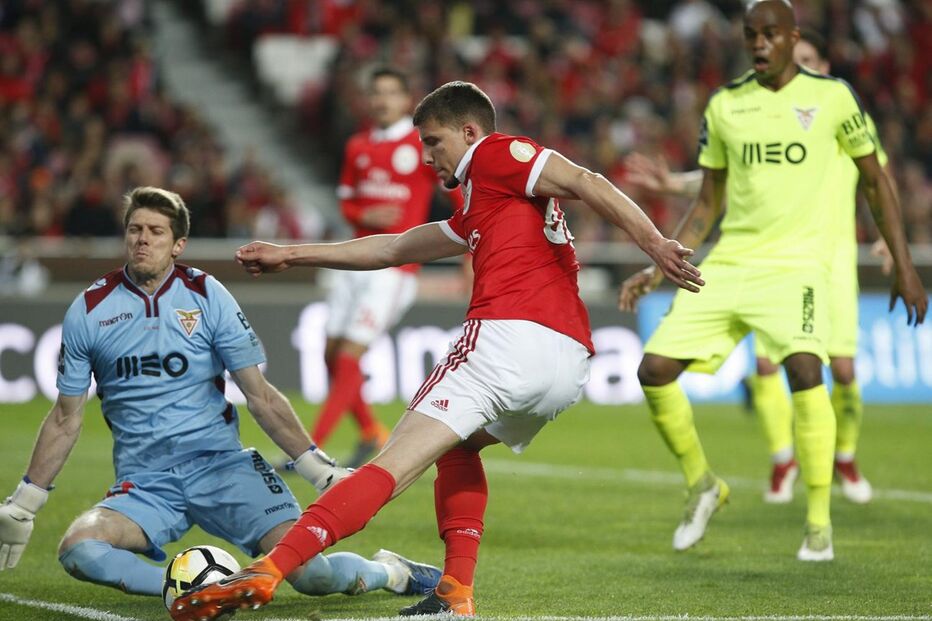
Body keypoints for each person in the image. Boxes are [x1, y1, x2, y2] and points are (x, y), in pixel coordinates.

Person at [168, 81, 703, 621]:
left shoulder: (495, 155)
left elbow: (586, 180)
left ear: (469, 132)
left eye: (433, 142)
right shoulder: (483, 207)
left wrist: (656, 243)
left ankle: (269, 569)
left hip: (507, 338)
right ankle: (454, 594)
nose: (426, 156)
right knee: (459, 449)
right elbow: (395, 247)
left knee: (390, 467)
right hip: (568, 363)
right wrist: (293, 254)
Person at [0, 187, 441, 602]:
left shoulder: (207, 295)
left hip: (223, 467)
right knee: (79, 548)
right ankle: (196, 588)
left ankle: (391, 572)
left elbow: (261, 395)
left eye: (156, 232)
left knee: (311, 574)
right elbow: (65, 417)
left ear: (178, 244)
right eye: (135, 229)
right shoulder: (90, 310)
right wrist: (24, 505)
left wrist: (319, 471)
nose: (142, 240)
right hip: (146, 482)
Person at [618, 0, 926, 562]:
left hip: (800, 266)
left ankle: (817, 523)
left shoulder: (833, 100)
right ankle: (703, 484)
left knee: (808, 371)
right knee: (653, 369)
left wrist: (905, 265)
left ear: (792, 37)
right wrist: (659, 258)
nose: (759, 44)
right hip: (732, 261)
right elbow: (710, 196)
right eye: (750, 35)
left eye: (770, 34)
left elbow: (877, 181)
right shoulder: (726, 105)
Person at [315, 66, 463, 467]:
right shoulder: (358, 145)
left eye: (390, 93)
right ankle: (370, 431)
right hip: (354, 260)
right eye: (375, 93)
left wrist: (470, 249)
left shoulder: (422, 146)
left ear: (405, 100)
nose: (382, 100)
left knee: (348, 357)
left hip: (394, 267)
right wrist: (366, 212)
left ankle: (309, 450)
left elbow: (456, 196)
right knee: (330, 354)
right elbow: (347, 202)